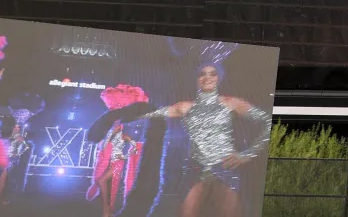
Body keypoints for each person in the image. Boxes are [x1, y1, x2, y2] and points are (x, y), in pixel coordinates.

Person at [144, 62, 272, 217]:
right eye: (202, 74)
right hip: (196, 168)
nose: (207, 77)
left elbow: (268, 121)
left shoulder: (230, 102)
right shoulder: (185, 107)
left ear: (219, 78)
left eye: (213, 73)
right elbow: (149, 115)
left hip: (226, 167)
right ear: (196, 79)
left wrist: (247, 154)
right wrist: (125, 113)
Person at [87, 121, 134, 217]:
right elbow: (103, 148)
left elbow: (135, 147)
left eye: (118, 125)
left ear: (121, 127)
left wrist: (125, 156)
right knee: (106, 187)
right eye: (114, 125)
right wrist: (110, 134)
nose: (116, 127)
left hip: (117, 164)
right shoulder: (108, 137)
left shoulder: (124, 136)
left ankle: (107, 210)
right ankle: (108, 211)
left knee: (101, 181)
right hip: (109, 164)